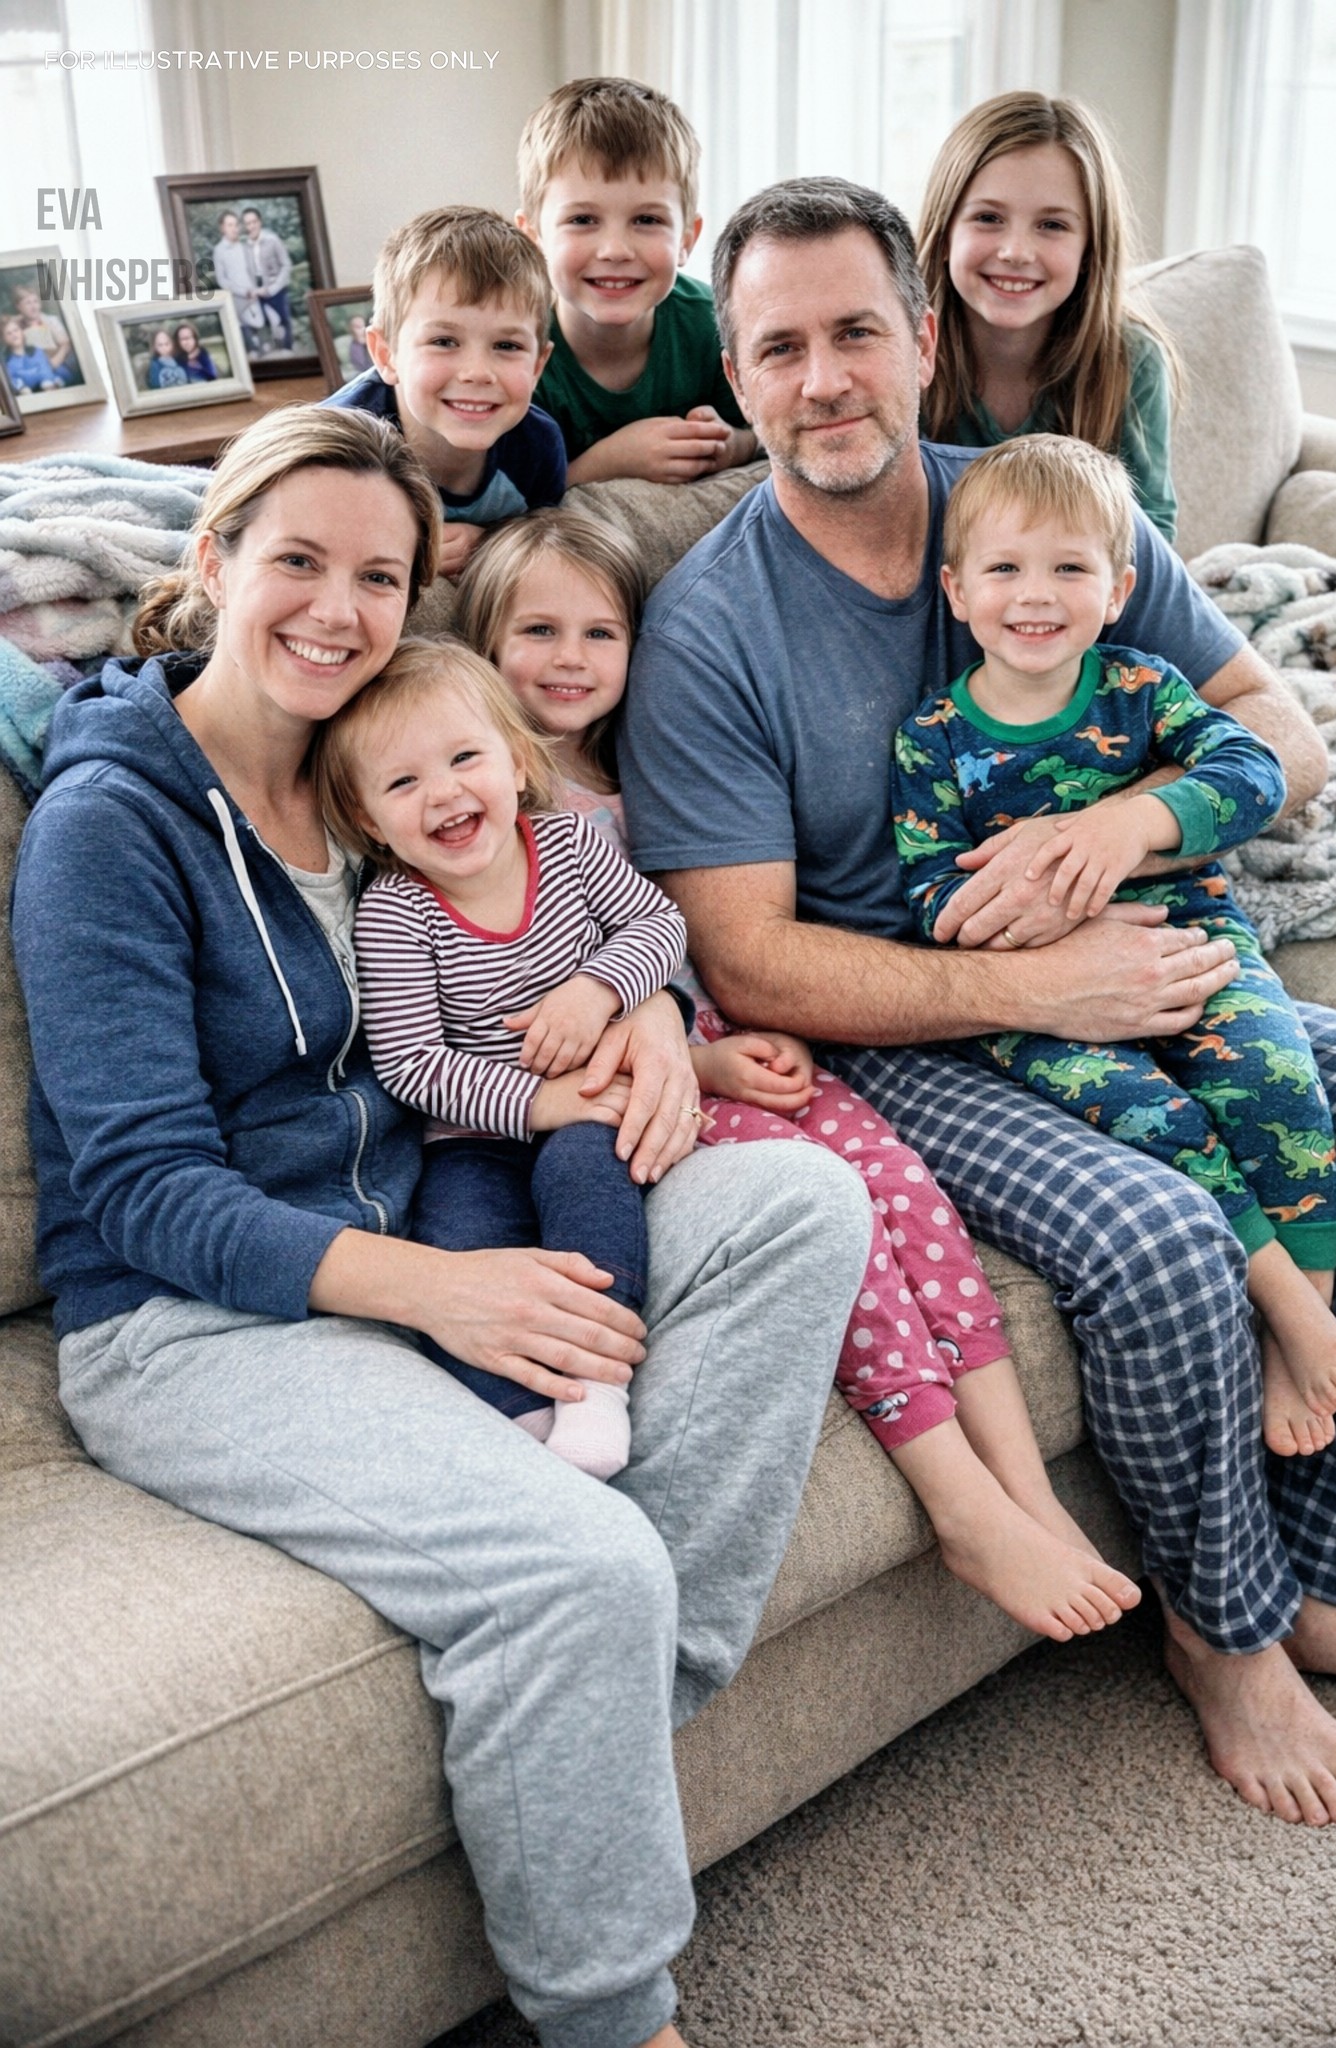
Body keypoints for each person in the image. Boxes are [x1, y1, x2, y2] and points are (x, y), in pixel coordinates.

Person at [11, 402, 871, 2048]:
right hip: (194, 1315)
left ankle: (603, 1708)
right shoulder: (112, 824)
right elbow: (140, 1188)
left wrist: (646, 1015)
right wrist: (440, 1290)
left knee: (797, 1204)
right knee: (578, 1569)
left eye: (379, 577)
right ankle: (617, 2014)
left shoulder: (374, 761)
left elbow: (558, 909)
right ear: (217, 559)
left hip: (436, 1198)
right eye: (300, 562)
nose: (337, 610)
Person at [618, 173, 1336, 1830]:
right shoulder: (710, 632)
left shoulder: (1043, 516)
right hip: (897, 1034)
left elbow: (1283, 735)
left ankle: (1328, 1571)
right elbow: (749, 963)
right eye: (779, 348)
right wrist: (1032, 984)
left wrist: (1124, 828)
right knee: (1160, 1231)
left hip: (1140, 940)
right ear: (736, 375)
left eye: (856, 332)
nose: (824, 379)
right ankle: (1224, 1632)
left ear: (921, 334)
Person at [457, 506, 1141, 1640]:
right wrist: (692, 1051)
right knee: (845, 1219)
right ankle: (963, 1504)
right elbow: (520, 1004)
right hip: (625, 1090)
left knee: (902, 1183)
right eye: (537, 631)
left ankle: (1030, 1493)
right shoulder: (486, 805)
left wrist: (717, 1036)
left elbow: (682, 934)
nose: (569, 659)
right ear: (484, 644)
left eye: (598, 633)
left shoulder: (645, 763)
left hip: (715, 1033)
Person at [893, 432, 1336, 1461]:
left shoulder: (1144, 688)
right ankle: (1281, 1293)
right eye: (1005, 568)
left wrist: (1127, 826)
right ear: (957, 591)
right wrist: (1038, 916)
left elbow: (1254, 770)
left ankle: (1300, 1326)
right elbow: (932, 898)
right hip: (1029, 987)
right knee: (1151, 1114)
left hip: (1188, 933)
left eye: (1069, 567)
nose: (1036, 594)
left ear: (1117, 590)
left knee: (1279, 1082)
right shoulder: (931, 741)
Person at [315, 637, 688, 1481]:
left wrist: (597, 989)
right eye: (402, 783)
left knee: (586, 1180)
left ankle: (594, 1383)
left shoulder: (571, 848)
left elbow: (660, 926)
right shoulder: (396, 913)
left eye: (464, 759)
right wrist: (534, 1102)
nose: (443, 792)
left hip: (589, 1110)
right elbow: (411, 1064)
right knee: (459, 1240)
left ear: (517, 763)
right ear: (369, 821)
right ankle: (518, 1415)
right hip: (471, 1139)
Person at [917, 91, 1179, 542]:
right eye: (988, 218)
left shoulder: (1131, 362)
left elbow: (1150, 534)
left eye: (1052, 225)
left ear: (1090, 249)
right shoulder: (901, 349)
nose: (1016, 251)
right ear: (944, 234)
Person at [516, 76, 757, 485]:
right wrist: (607, 462)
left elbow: (770, 433)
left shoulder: (713, 325)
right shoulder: (513, 346)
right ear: (534, 238)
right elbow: (506, 495)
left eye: (647, 220)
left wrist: (734, 445)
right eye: (582, 220)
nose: (615, 250)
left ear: (686, 240)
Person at [322, 205, 566, 580]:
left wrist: (488, 543)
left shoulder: (538, 448)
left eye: (507, 346)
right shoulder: (335, 447)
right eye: (444, 341)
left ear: (537, 365)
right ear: (386, 354)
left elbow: (542, 541)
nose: (477, 372)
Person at [240, 205, 295, 351]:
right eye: (248, 223)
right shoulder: (244, 246)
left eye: (254, 222)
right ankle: (268, 350)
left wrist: (272, 288)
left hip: (276, 288)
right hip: (257, 289)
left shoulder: (273, 240)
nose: (251, 226)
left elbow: (286, 265)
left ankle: (288, 349)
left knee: (283, 319)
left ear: (260, 222)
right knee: (261, 320)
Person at [212, 210, 266, 355]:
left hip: (253, 293)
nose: (234, 229)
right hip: (237, 297)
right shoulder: (219, 250)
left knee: (259, 322)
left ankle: (263, 348)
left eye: (236, 225)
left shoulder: (245, 245)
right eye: (230, 225)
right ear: (222, 228)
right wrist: (242, 292)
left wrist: (256, 289)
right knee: (243, 326)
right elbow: (221, 279)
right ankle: (252, 350)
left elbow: (254, 269)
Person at [16, 287, 75, 384]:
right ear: (19, 307)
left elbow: (65, 344)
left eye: (36, 302)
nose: (33, 306)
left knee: (60, 375)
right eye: (28, 303)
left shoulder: (51, 321)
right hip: (32, 368)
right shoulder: (17, 326)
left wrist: (53, 363)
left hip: (56, 363)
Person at [2, 314, 59, 391]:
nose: (14, 335)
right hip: (23, 391)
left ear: (22, 331)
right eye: (9, 333)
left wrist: (47, 382)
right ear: (4, 339)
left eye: (16, 330)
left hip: (45, 386)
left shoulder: (36, 351)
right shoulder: (6, 360)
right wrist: (21, 388)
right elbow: (11, 378)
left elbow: (45, 368)